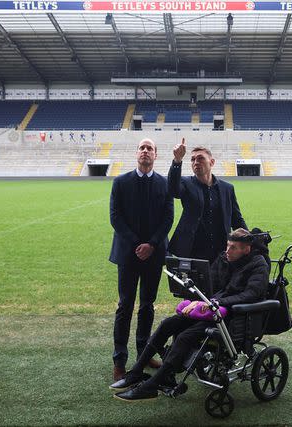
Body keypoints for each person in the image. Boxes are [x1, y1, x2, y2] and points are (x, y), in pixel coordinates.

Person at [110, 228, 269, 401]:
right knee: (167, 324)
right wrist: (194, 298)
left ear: (246, 249)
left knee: (185, 337)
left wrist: (218, 303)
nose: (227, 251)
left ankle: (153, 384)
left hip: (230, 317)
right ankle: (135, 372)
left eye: (233, 248)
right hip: (210, 310)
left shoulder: (258, 264)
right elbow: (208, 285)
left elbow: (253, 294)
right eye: (227, 245)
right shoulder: (225, 258)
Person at [109, 138, 174, 381]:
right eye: (142, 147)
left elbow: (168, 218)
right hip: (128, 254)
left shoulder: (165, 184)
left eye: (150, 148)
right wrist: (138, 244)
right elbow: (115, 218)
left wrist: (152, 245)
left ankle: (144, 355)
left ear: (156, 155)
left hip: (154, 255)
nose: (145, 151)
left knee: (147, 306)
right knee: (125, 306)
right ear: (136, 153)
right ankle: (119, 360)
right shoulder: (120, 182)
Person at [168, 138, 247, 264]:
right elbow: (173, 190)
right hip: (191, 249)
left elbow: (236, 219)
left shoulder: (227, 188)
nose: (196, 162)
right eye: (193, 159)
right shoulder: (186, 183)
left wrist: (248, 239)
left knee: (219, 283)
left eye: (200, 158)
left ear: (212, 162)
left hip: (220, 250)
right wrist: (177, 160)